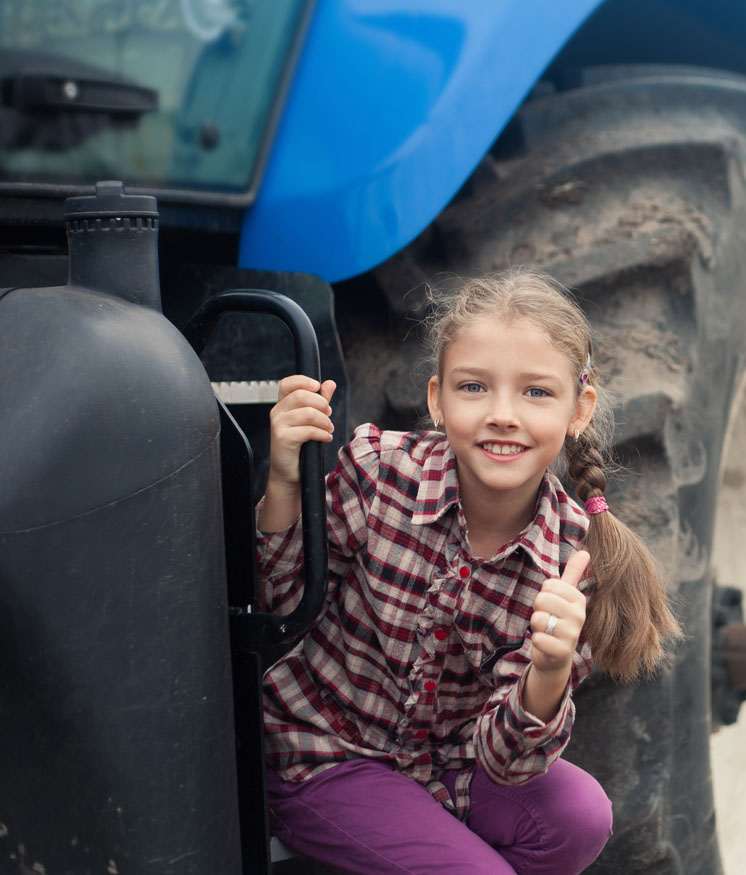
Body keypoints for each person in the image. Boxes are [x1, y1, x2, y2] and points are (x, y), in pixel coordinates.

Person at [254, 266, 682, 874]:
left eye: (536, 392)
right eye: (474, 387)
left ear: (578, 409)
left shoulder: (575, 558)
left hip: (453, 765)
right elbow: (278, 599)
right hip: (326, 753)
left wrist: (550, 670)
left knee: (580, 816)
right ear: (437, 399)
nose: (502, 414)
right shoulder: (380, 472)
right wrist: (281, 479)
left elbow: (508, 763)